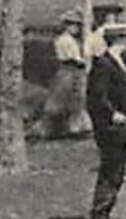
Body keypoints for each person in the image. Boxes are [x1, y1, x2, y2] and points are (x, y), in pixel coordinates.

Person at [85, 22, 126, 219]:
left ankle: (105, 217)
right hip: (109, 128)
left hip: (123, 126)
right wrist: (113, 114)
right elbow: (96, 98)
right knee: (111, 171)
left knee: (117, 172)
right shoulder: (104, 64)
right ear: (119, 40)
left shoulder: (120, 61)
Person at [34, 9, 93, 139]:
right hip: (68, 70)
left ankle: (75, 128)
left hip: (74, 71)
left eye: (78, 25)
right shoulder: (64, 40)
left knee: (76, 101)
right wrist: (82, 61)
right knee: (61, 100)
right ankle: (52, 129)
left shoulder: (72, 40)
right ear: (67, 26)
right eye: (73, 25)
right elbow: (71, 57)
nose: (76, 28)